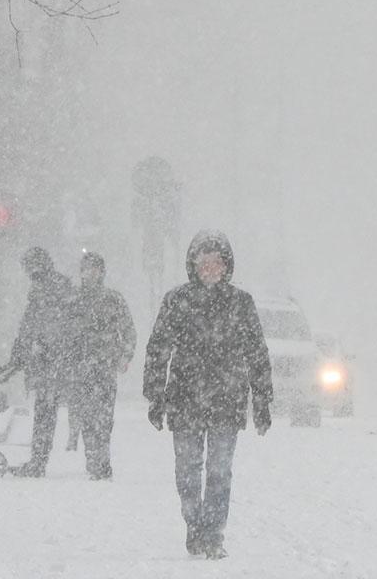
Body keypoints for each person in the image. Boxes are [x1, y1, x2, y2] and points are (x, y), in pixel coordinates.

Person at [143, 231, 273, 560]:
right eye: (204, 261)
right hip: (185, 398)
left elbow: (256, 352)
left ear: (226, 266)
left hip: (227, 399)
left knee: (219, 470)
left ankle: (213, 533)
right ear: (194, 264)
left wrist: (261, 399)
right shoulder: (177, 300)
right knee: (187, 469)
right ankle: (194, 523)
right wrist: (155, 395)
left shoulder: (240, 302)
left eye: (217, 261)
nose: (211, 267)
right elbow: (158, 349)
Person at [7, 247, 76, 478]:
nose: (27, 272)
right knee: (45, 410)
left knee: (46, 410)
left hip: (52, 360)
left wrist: (30, 346)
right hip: (50, 359)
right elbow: (32, 322)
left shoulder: (50, 287)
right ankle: (38, 459)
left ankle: (39, 460)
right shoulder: (48, 286)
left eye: (28, 267)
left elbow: (39, 323)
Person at [67, 250, 136, 480]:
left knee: (105, 417)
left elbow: (128, 330)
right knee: (86, 415)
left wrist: (125, 356)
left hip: (106, 366)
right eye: (86, 269)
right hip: (81, 367)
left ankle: (103, 460)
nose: (90, 274)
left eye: (95, 269)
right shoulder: (74, 300)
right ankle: (92, 460)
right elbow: (65, 335)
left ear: (102, 272)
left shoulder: (113, 299)